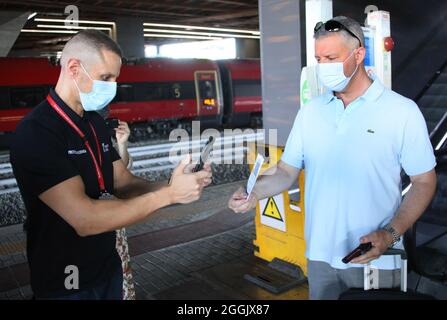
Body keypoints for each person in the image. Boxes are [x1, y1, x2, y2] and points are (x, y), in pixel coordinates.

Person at [228, 16, 437, 300]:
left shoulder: (402, 112)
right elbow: (286, 171)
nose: (324, 66)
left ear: (359, 54)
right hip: (319, 258)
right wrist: (253, 192)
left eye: (331, 57)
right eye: (318, 58)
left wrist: (390, 233)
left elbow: (424, 182)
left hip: (372, 257)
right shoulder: (311, 112)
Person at [10, 30, 212, 300]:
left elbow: (123, 183)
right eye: (106, 78)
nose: (113, 87)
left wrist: (174, 184)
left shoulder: (94, 122)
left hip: (107, 268)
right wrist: (170, 195)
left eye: (115, 78)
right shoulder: (37, 133)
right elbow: (85, 220)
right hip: (66, 283)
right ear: (73, 68)